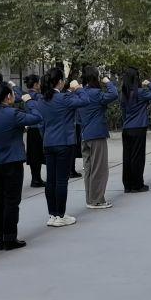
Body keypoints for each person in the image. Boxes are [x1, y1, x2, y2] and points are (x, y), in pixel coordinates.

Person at [0, 82, 42, 251]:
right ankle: (10, 237)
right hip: (12, 161)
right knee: (11, 200)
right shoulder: (13, 114)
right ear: (8, 96)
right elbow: (37, 117)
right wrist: (29, 101)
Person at [35, 68, 89, 228]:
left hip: (49, 142)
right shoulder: (64, 98)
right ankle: (61, 215)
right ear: (59, 81)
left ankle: (52, 214)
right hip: (64, 142)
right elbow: (85, 100)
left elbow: (41, 124)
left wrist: (46, 136)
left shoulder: (41, 100)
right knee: (61, 181)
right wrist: (78, 88)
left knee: (50, 180)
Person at [79, 66, 118, 209]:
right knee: (99, 168)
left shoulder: (81, 93)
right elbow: (114, 94)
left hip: (85, 134)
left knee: (88, 168)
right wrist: (108, 82)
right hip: (97, 134)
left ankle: (90, 198)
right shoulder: (96, 93)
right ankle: (97, 200)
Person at [120, 67, 151, 193]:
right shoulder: (141, 92)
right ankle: (137, 184)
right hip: (138, 127)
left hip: (127, 128)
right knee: (137, 157)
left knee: (127, 157)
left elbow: (123, 112)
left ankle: (128, 185)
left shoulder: (124, 94)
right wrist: (150, 84)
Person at [23, 74, 45, 187]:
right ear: (36, 84)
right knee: (38, 155)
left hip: (30, 129)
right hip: (38, 128)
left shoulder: (25, 96)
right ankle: (37, 179)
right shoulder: (38, 97)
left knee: (33, 155)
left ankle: (35, 178)